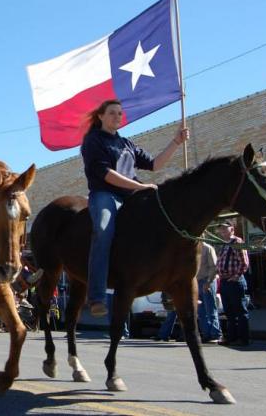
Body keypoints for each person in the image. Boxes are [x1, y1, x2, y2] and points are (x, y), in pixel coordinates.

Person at [80, 99, 189, 317]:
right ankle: (97, 296)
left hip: (132, 196)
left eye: (120, 113)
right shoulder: (93, 141)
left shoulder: (127, 144)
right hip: (105, 195)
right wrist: (139, 186)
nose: (117, 117)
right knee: (103, 230)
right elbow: (106, 174)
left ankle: (168, 285)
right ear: (100, 116)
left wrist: (176, 142)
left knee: (163, 225)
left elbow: (155, 164)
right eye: (112, 113)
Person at [216, 220, 251, 346]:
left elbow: (244, 262)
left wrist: (236, 276)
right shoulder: (224, 244)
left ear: (232, 229)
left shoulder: (237, 242)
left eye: (225, 229)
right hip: (225, 281)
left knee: (240, 311)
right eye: (221, 229)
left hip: (234, 281)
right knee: (229, 312)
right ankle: (231, 338)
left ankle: (243, 339)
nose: (223, 231)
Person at [197, 242, 222, 344]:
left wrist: (209, 281)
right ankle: (206, 334)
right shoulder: (194, 248)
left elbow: (214, 266)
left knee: (210, 309)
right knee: (201, 312)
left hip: (207, 281)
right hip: (196, 281)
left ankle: (216, 334)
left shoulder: (208, 248)